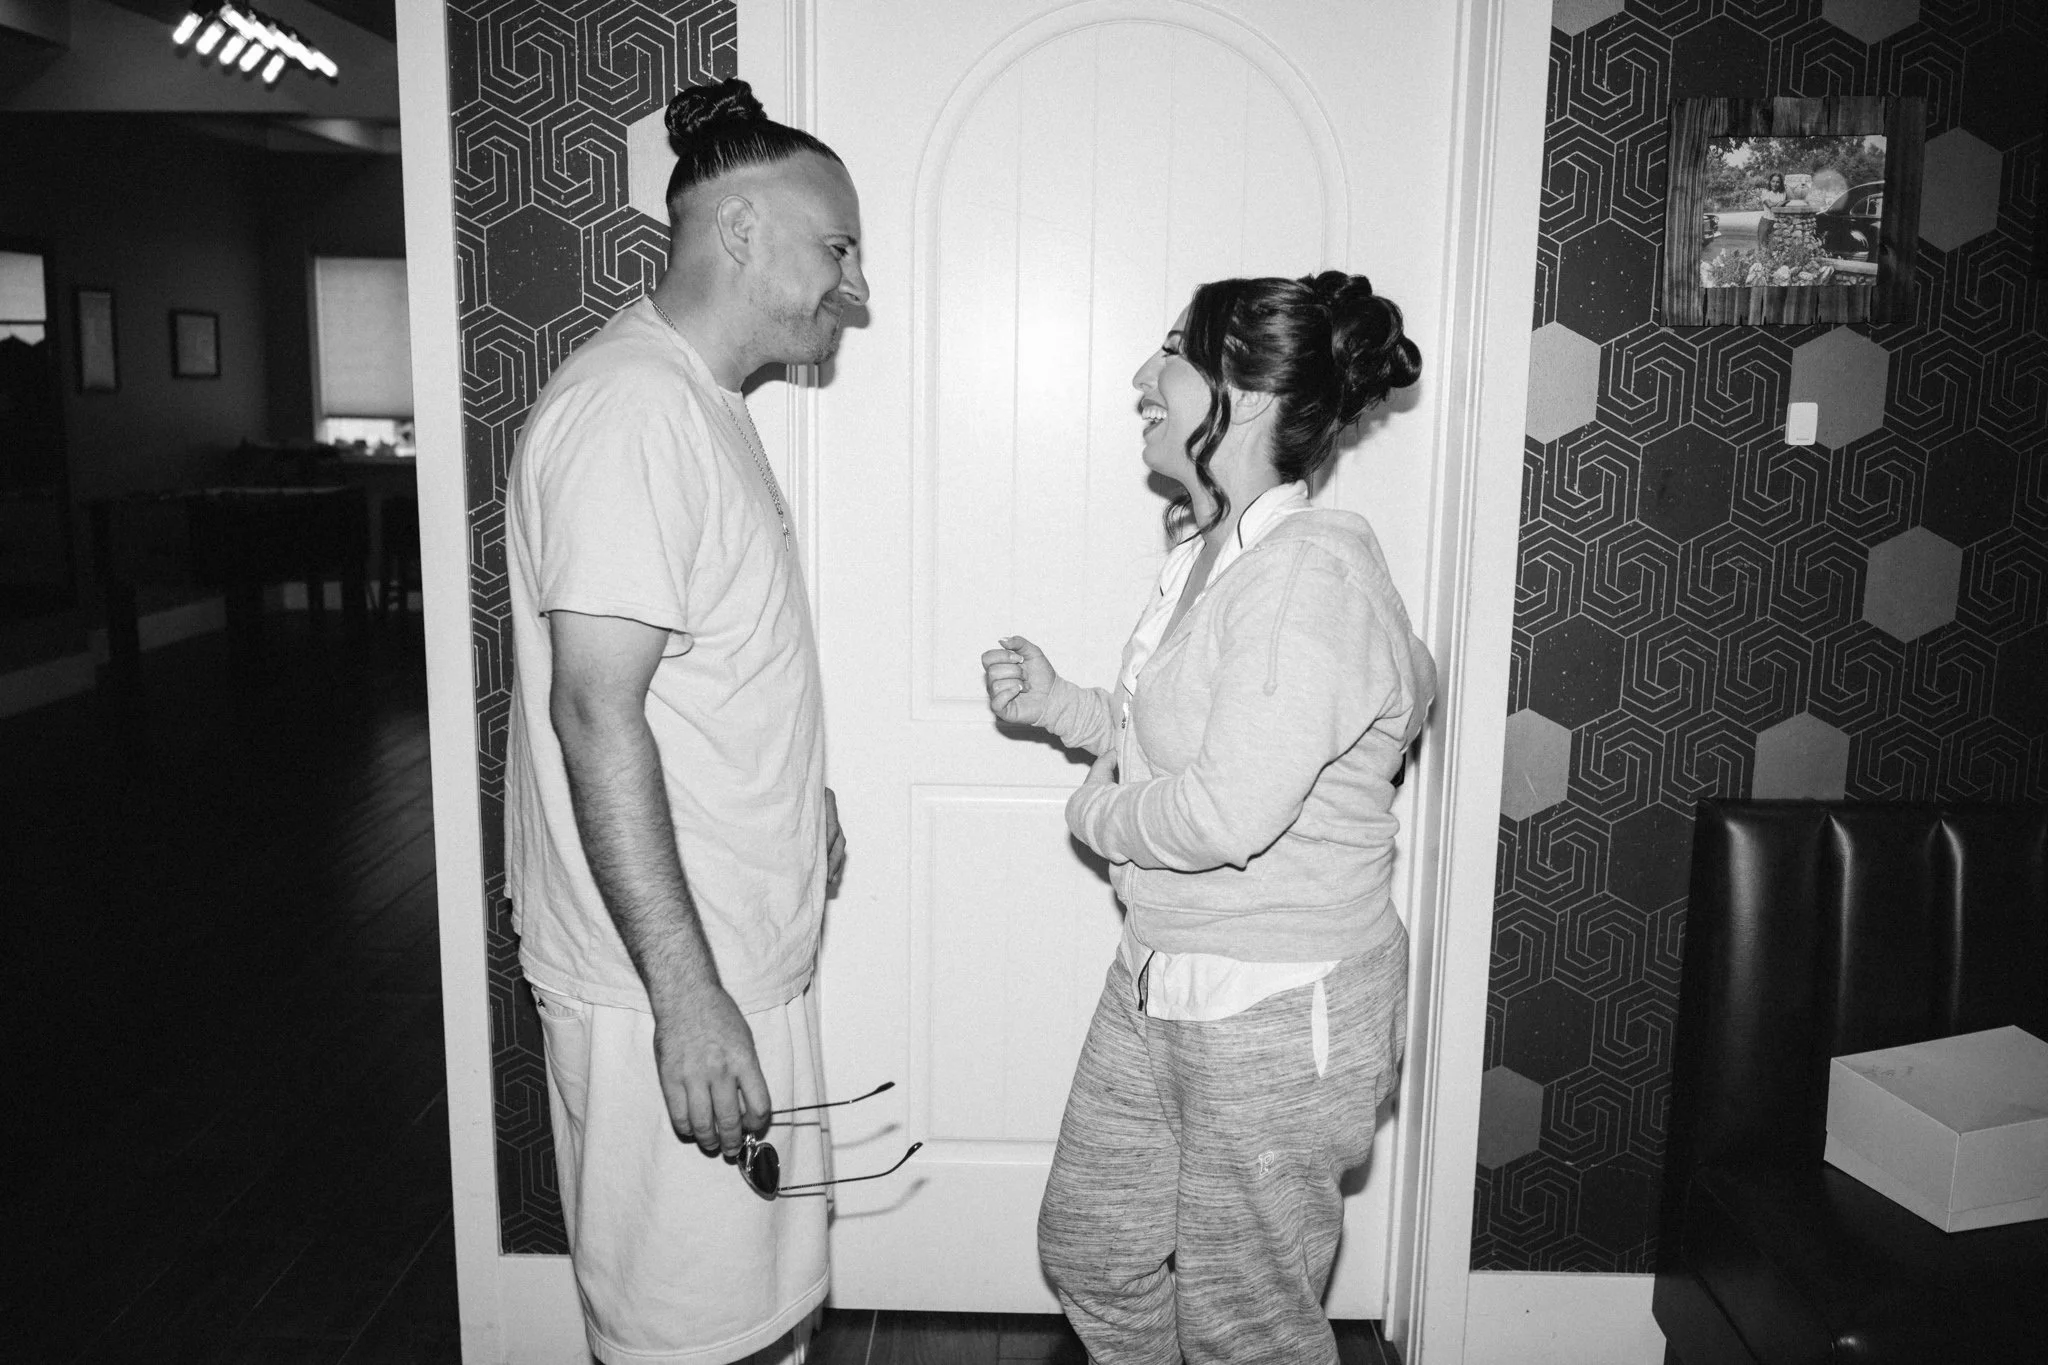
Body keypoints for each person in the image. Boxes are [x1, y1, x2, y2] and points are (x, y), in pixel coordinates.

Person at [981, 272, 1434, 1363]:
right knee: (1094, 1247)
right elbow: (1183, 733)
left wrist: (1095, 814)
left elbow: (1227, 811)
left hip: (1276, 1001)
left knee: (1247, 1323)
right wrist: (1065, 708)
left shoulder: (1305, 579)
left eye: (1174, 351)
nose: (1145, 374)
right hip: (1165, 968)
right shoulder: (1211, 553)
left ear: (1253, 391)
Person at [504, 77, 866, 1365]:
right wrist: (688, 1000)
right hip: (668, 976)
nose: (854, 287)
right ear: (743, 230)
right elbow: (594, 714)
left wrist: (792, 791)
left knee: (757, 1317)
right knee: (686, 1336)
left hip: (728, 945)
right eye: (837, 248)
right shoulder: (633, 411)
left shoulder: (696, 403)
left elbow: (699, 665)